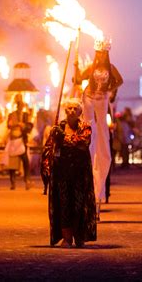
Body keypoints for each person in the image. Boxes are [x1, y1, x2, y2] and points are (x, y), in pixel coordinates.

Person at [74, 38, 123, 211]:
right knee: (88, 125)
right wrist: (76, 69)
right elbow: (78, 78)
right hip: (88, 97)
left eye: (104, 53)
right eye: (99, 53)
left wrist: (109, 88)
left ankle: (99, 183)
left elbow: (120, 80)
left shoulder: (111, 68)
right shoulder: (92, 68)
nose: (101, 56)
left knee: (101, 129)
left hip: (102, 99)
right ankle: (87, 141)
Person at [41, 98, 97, 248]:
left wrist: (63, 138)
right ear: (65, 111)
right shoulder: (57, 128)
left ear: (80, 111)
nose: (72, 111)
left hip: (79, 173)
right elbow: (48, 148)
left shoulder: (85, 127)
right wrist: (46, 167)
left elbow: (82, 143)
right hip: (62, 173)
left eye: (75, 108)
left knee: (79, 205)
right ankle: (66, 238)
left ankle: (79, 236)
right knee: (64, 205)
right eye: (69, 108)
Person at [5, 94, 33, 190]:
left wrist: (24, 126)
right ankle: (13, 182)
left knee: (25, 161)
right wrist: (13, 124)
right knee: (12, 163)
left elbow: (30, 126)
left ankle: (27, 180)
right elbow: (8, 125)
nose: (20, 107)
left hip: (22, 140)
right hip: (14, 139)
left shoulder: (26, 115)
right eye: (19, 105)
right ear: (17, 105)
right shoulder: (11, 115)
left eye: (22, 105)